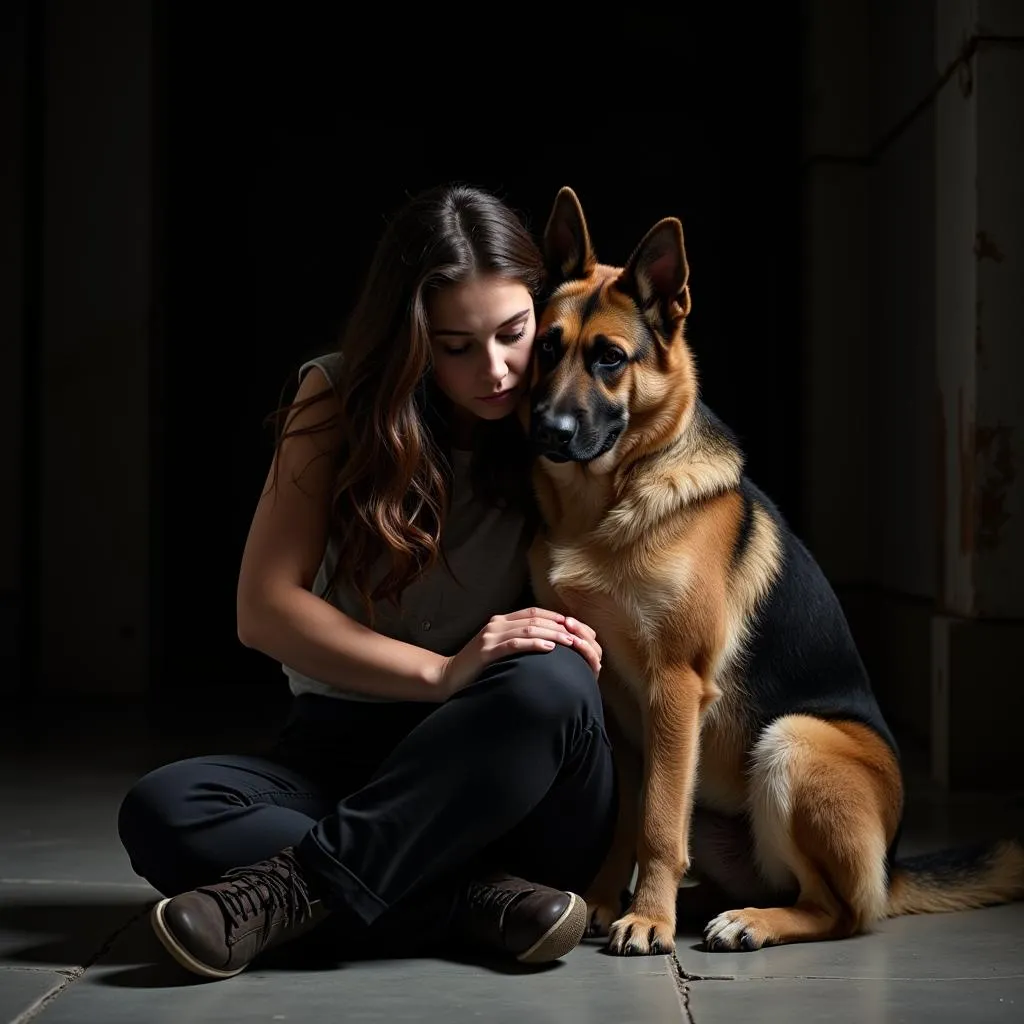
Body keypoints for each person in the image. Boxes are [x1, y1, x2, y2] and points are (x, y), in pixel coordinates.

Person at [117, 183, 618, 980]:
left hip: (512, 764)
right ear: (410, 339)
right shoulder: (339, 396)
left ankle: (292, 890)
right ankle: (471, 902)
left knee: (552, 681)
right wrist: (441, 673)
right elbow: (264, 610)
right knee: (164, 809)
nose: (493, 370)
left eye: (514, 335)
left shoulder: (579, 410)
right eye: (454, 346)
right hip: (345, 752)